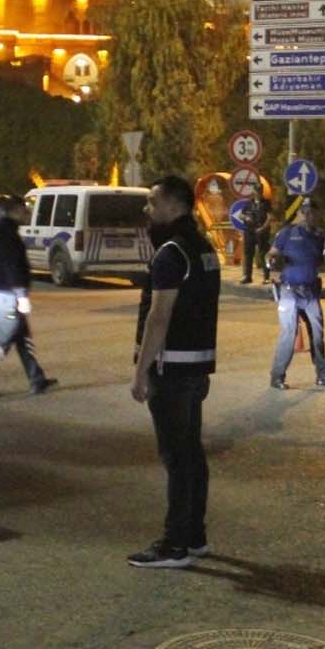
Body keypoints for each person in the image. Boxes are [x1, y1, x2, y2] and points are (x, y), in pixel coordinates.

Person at [129, 175, 221, 568]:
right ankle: (195, 535)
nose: (147, 209)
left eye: (153, 202)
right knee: (191, 454)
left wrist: (140, 372)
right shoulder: (203, 247)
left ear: (174, 205)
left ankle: (175, 544)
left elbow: (159, 316)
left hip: (172, 370)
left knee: (176, 458)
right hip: (197, 367)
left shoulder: (171, 252)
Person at [0, 195, 57, 399]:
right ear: (15, 211)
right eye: (25, 210)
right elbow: (11, 266)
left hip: (0, 292)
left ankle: (37, 379)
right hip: (7, 296)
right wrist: (21, 295)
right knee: (1, 342)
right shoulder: (7, 235)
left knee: (22, 338)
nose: (28, 214)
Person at [268, 198, 325, 389]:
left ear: (317, 214)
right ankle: (277, 376)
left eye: (311, 212)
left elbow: (318, 261)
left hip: (310, 292)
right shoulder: (287, 232)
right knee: (289, 333)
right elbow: (272, 253)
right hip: (289, 291)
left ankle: (323, 374)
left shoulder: (319, 235)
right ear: (300, 213)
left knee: (317, 334)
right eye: (304, 211)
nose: (307, 215)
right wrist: (273, 261)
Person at [238, 190, 272, 285]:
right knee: (248, 254)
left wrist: (263, 228)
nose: (257, 194)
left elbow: (269, 217)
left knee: (264, 255)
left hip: (262, 232)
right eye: (256, 192)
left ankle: (266, 277)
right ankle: (247, 276)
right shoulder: (249, 203)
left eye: (259, 192)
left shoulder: (266, 203)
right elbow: (241, 215)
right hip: (249, 231)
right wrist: (246, 217)